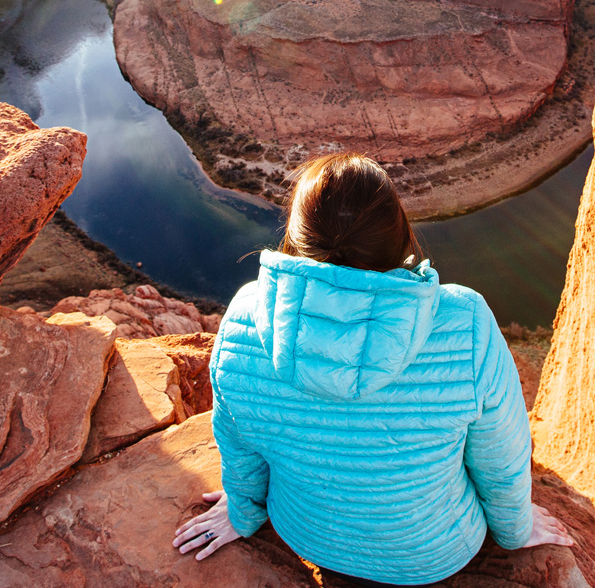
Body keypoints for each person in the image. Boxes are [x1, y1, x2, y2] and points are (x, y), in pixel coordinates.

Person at [173, 152, 573, 584]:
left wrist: (242, 512)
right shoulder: (463, 322)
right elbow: (501, 453)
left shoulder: (244, 320)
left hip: (311, 538)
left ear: (296, 234)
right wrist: (516, 529)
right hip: (433, 553)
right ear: (400, 232)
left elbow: (240, 446)